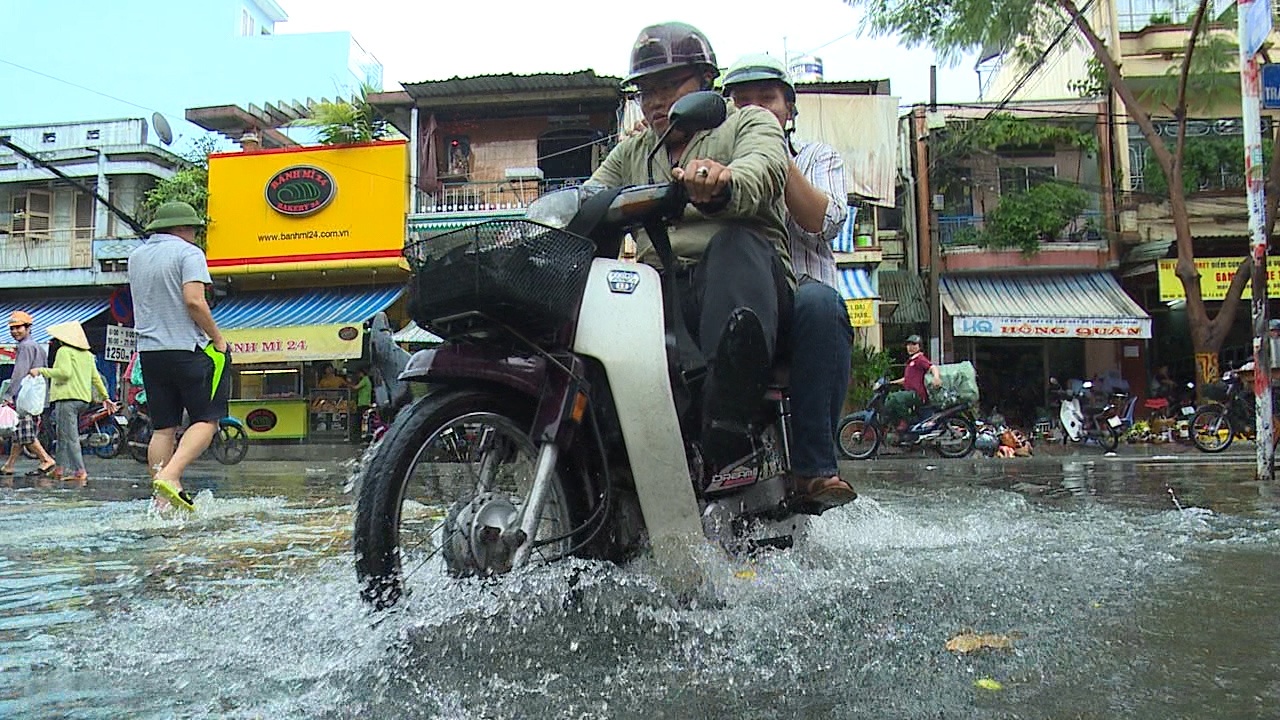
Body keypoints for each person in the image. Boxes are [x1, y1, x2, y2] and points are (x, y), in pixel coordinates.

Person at [586, 22, 801, 497]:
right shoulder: (633, 152)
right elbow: (591, 194)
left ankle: (728, 422)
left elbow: (762, 168)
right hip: (661, 292)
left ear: (705, 82)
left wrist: (723, 181)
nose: (657, 101)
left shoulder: (748, 122)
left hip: (749, 285)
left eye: (668, 86)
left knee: (733, 245)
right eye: (646, 92)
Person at [723, 52, 855, 508]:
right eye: (743, 103)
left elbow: (822, 221)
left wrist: (772, 154)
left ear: (789, 110)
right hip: (737, 301)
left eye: (767, 100)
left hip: (800, 310)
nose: (756, 109)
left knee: (819, 303)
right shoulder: (717, 163)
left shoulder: (818, 156)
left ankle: (815, 469)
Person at [128, 200, 230, 512]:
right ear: (183, 228)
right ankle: (171, 476)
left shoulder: (136, 256)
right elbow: (194, 301)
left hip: (149, 352)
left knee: (164, 427)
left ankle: (161, 500)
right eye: (195, 230)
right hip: (187, 348)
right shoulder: (189, 253)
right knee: (208, 419)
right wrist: (218, 338)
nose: (196, 235)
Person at [31, 321, 116, 482]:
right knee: (62, 435)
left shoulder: (64, 351)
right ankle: (59, 469)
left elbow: (64, 373)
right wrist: (106, 397)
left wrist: (40, 370)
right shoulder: (87, 355)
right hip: (83, 400)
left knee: (70, 436)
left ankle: (80, 471)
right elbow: (96, 378)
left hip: (67, 399)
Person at [1, 311, 57, 478]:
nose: (15, 331)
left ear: (28, 328)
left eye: (18, 327)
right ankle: (9, 465)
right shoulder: (37, 346)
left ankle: (46, 459)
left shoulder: (25, 347)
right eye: (12, 328)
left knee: (25, 433)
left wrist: (8, 395)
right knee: (19, 432)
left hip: (25, 396)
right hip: (35, 396)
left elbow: (19, 373)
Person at [885, 335, 942, 429]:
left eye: (914, 344)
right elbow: (906, 379)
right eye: (908, 345)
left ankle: (907, 421)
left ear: (919, 346)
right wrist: (891, 383)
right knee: (889, 401)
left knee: (894, 398)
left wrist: (936, 377)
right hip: (910, 393)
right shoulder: (911, 361)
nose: (910, 347)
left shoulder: (920, 359)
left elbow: (932, 367)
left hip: (917, 394)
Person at [349, 367, 373, 441]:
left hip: (363, 403)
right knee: (362, 420)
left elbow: (356, 387)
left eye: (359, 373)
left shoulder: (365, 379)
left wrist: (349, 384)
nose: (358, 375)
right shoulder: (367, 380)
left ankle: (358, 437)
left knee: (359, 420)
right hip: (365, 402)